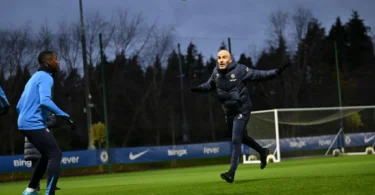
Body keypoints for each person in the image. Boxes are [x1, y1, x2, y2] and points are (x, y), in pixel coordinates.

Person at [190, 50, 289, 183]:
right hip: (228, 112)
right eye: (219, 58)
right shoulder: (216, 72)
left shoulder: (240, 70)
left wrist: (276, 72)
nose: (221, 60)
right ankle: (263, 151)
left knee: (236, 140)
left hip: (242, 109)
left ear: (230, 60)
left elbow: (259, 74)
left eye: (224, 57)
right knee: (242, 138)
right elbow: (209, 85)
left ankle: (231, 173)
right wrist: (199, 88)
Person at [17, 50, 75, 195]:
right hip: (33, 123)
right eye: (56, 59)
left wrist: (26, 118)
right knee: (55, 154)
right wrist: (64, 115)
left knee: (45, 154)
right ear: (48, 62)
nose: (58, 62)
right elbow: (45, 101)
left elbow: (19, 105)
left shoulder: (34, 78)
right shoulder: (46, 78)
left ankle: (30, 190)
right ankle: (50, 192)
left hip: (24, 123)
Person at [24, 114, 61, 191]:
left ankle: (34, 186)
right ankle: (48, 185)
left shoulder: (28, 115)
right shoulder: (41, 110)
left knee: (37, 165)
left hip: (31, 142)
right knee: (47, 162)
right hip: (37, 140)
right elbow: (52, 122)